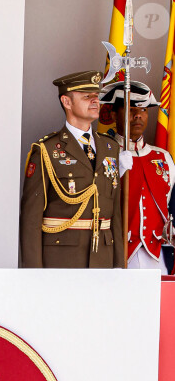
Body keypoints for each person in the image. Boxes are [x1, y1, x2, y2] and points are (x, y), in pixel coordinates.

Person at [20, 69, 124, 268]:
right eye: (87, 97)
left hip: (103, 259)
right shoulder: (46, 150)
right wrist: (33, 275)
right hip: (62, 261)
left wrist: (119, 267)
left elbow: (115, 214)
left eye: (96, 96)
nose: (95, 101)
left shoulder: (111, 148)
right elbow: (31, 220)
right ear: (66, 102)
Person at [99, 81, 175, 274]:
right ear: (115, 114)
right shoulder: (104, 155)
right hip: (118, 255)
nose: (138, 115)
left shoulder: (163, 158)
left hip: (158, 255)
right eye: (131, 109)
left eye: (143, 110)